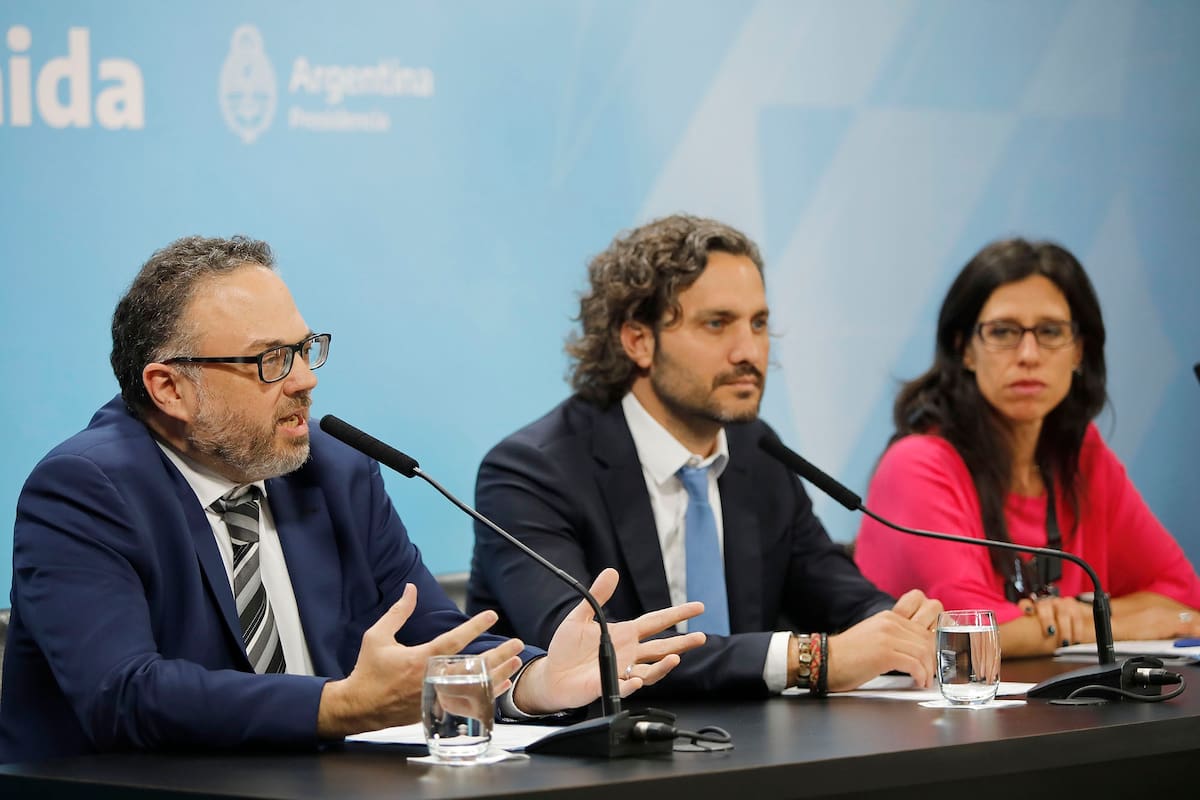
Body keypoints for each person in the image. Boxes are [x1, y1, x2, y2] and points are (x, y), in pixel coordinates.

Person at [0, 235, 706, 765]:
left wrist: (536, 681)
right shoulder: (87, 489)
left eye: (306, 348)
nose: (306, 380)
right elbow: (124, 695)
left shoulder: (335, 471)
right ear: (168, 389)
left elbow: (432, 638)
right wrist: (337, 706)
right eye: (270, 360)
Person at [467, 214, 941, 698]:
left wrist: (895, 626)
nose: (749, 351)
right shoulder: (533, 471)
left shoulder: (758, 452)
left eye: (758, 324)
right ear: (638, 341)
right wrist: (813, 661)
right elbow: (594, 655)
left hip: (752, 747)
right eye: (717, 324)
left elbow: (834, 589)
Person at [853, 238, 1200, 657]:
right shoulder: (918, 465)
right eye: (1003, 332)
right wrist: (1097, 624)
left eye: (1051, 332)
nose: (1029, 354)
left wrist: (1074, 616)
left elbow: (1183, 597)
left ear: (1078, 352)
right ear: (964, 349)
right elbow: (969, 631)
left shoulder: (1081, 456)